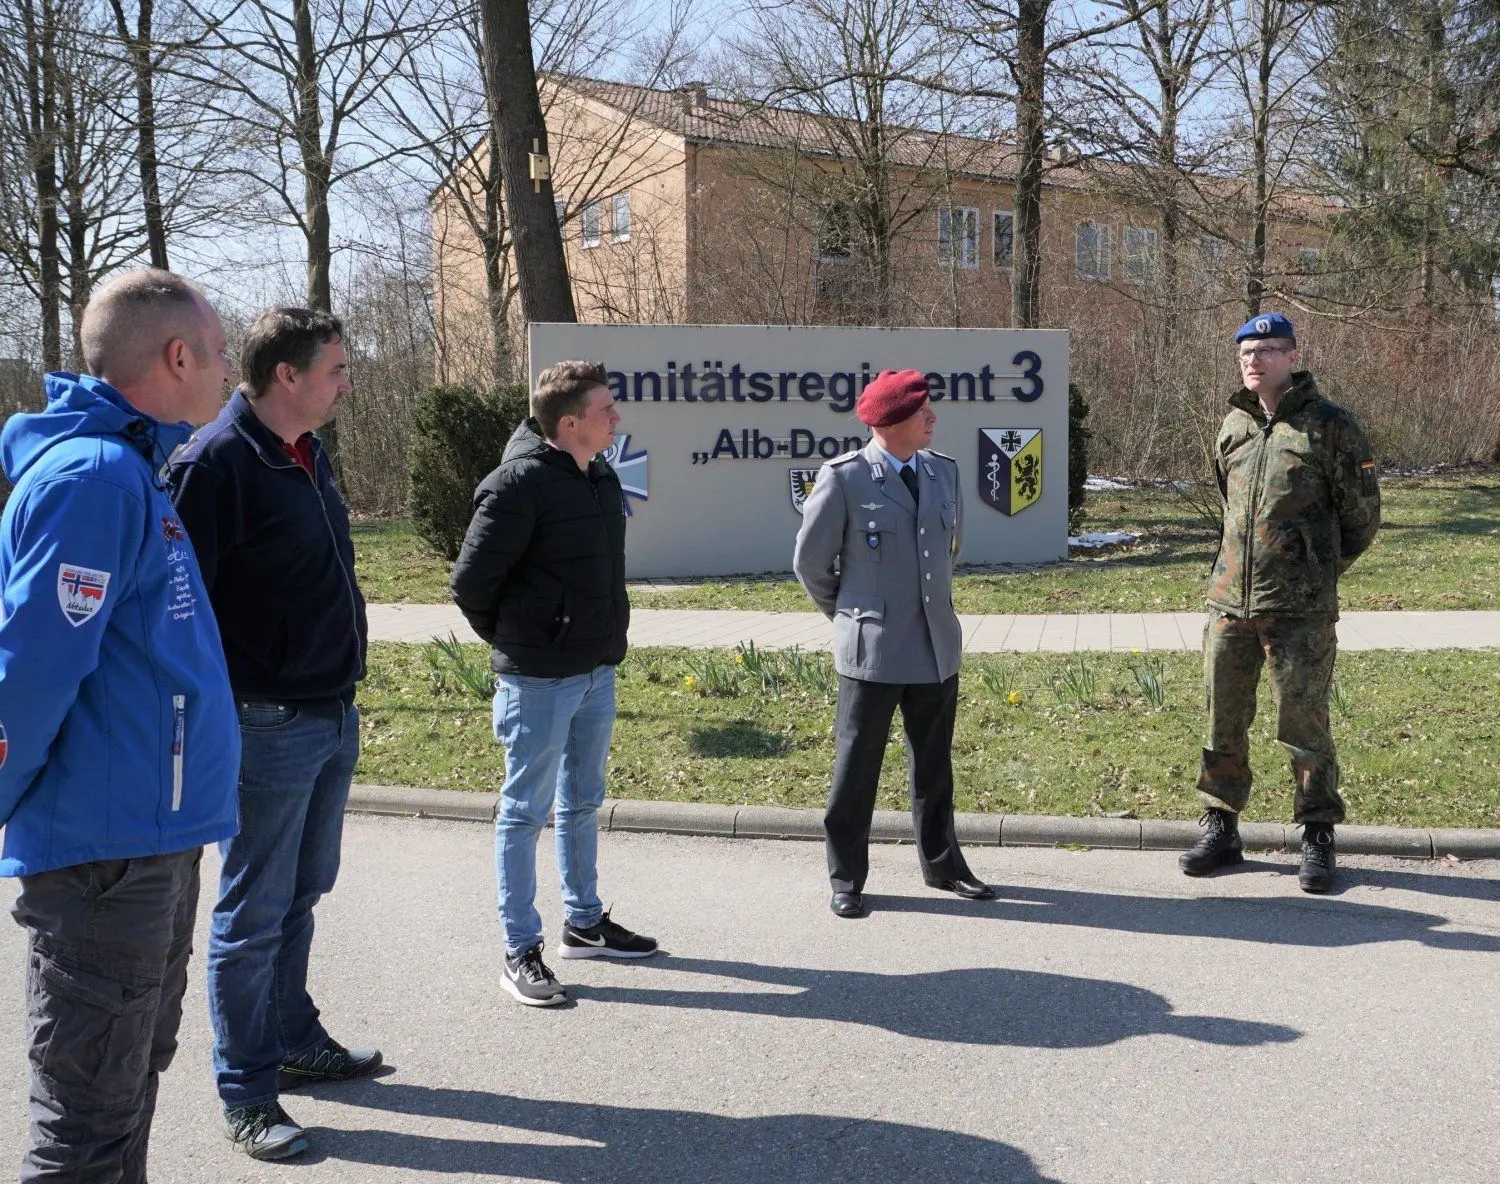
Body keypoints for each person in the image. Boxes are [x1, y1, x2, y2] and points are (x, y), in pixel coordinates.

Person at [0, 269, 240, 1181]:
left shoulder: (132, 467)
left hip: (146, 835)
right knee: (87, 1125)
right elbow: (29, 675)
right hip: (108, 854)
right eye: (218, 352)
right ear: (178, 357)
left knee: (125, 1087)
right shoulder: (96, 479)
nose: (228, 371)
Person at [167, 307, 377, 1160]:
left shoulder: (307, 451)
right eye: (335, 370)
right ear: (286, 375)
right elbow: (181, 613)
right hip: (266, 721)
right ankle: (248, 1093)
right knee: (253, 912)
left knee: (302, 891)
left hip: (331, 709)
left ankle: (292, 1037)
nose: (346, 384)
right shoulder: (213, 463)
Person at [452, 359, 658, 1008]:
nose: (616, 418)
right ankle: (520, 950)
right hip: (538, 680)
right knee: (524, 813)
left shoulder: (598, 475)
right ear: (570, 423)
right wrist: (526, 639)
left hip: (596, 671)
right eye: (605, 410)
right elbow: (470, 585)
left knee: (582, 801)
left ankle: (585, 923)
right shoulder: (517, 485)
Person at [1179, 313, 1381, 893]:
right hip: (1229, 604)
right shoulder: (1233, 426)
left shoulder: (1331, 426)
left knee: (1304, 726)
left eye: (1267, 349)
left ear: (1293, 357)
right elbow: (1230, 507)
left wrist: (1314, 572)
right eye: (1246, 351)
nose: (1254, 360)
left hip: (1300, 611)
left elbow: (1362, 518)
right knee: (1222, 720)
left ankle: (1317, 833)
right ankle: (1221, 826)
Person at [793, 368, 995, 919]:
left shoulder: (944, 471)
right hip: (873, 651)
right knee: (857, 770)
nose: (933, 418)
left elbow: (948, 552)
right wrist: (852, 617)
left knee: (935, 767)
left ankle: (944, 864)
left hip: (934, 646)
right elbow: (810, 564)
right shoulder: (845, 478)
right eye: (921, 411)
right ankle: (846, 878)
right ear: (890, 421)